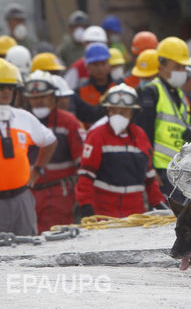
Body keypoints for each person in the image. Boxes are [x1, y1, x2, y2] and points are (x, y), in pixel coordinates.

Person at [75, 83, 165, 218]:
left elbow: (150, 177)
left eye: (124, 112)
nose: (118, 115)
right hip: (104, 213)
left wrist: (158, 203)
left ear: (133, 113)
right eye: (113, 111)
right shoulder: (97, 135)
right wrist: (86, 206)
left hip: (136, 213)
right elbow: (86, 176)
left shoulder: (140, 136)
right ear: (107, 111)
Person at [0, 59, 57, 235]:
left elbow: (50, 141)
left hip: (22, 197)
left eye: (11, 87)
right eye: (1, 87)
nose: (6, 92)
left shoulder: (24, 118)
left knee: (28, 251)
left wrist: (38, 169)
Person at [23, 71, 84, 233]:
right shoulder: (23, 122)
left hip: (59, 193)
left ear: (53, 98)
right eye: (34, 98)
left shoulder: (69, 122)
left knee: (55, 238)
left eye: (43, 97)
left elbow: (83, 163)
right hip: (27, 192)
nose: (38, 102)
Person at [137, 37, 191, 203]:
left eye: (184, 67)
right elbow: (143, 133)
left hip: (181, 169)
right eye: (177, 66)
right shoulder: (151, 92)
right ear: (161, 64)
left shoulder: (181, 95)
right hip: (161, 170)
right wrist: (149, 170)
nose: (181, 71)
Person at [75, 42, 114, 127]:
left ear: (109, 65)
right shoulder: (79, 92)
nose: (100, 68)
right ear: (88, 67)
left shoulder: (118, 87)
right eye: (95, 65)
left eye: (103, 63)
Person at [64, 25, 108, 90]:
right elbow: (67, 89)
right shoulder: (77, 67)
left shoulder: (112, 64)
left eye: (99, 42)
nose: (95, 45)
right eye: (91, 42)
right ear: (84, 44)